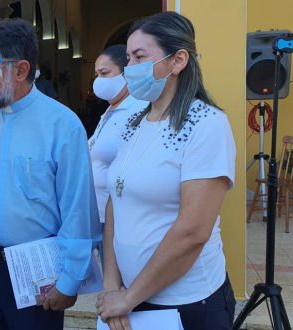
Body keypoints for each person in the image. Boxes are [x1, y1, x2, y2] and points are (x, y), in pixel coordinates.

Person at [0, 18, 101, 330]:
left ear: (21, 70)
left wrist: (69, 280)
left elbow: (78, 210)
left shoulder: (62, 126)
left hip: (36, 265)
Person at [95, 12, 237, 330]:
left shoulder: (206, 124)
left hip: (187, 305)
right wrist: (112, 286)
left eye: (140, 57)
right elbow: (115, 201)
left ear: (178, 60)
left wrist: (128, 297)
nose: (130, 68)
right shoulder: (133, 123)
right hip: (131, 298)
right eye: (128, 57)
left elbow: (192, 231)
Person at [89, 44, 149, 227]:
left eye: (104, 73)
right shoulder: (109, 110)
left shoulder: (139, 110)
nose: (98, 80)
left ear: (125, 74)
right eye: (97, 74)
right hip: (97, 217)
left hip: (119, 221)